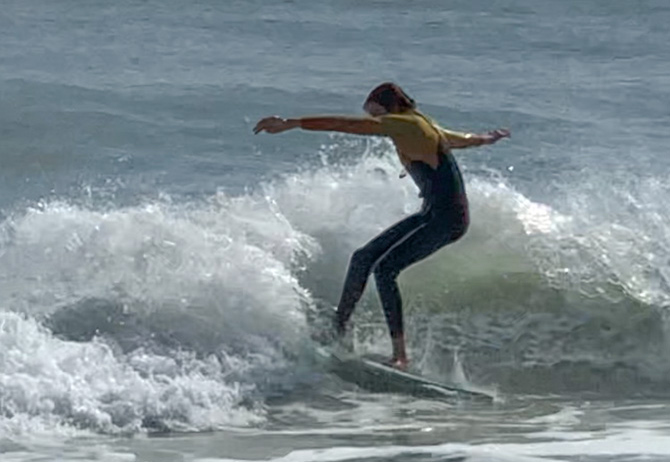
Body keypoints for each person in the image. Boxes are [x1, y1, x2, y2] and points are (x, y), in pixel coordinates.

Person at [254, 82, 509, 370]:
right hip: (434, 214)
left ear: (389, 107)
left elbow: (344, 125)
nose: (377, 122)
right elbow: (458, 140)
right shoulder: (421, 123)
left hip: (446, 218)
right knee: (362, 258)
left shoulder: (407, 125)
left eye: (376, 115)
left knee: (385, 270)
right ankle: (338, 328)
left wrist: (292, 123)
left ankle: (400, 356)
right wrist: (485, 138)